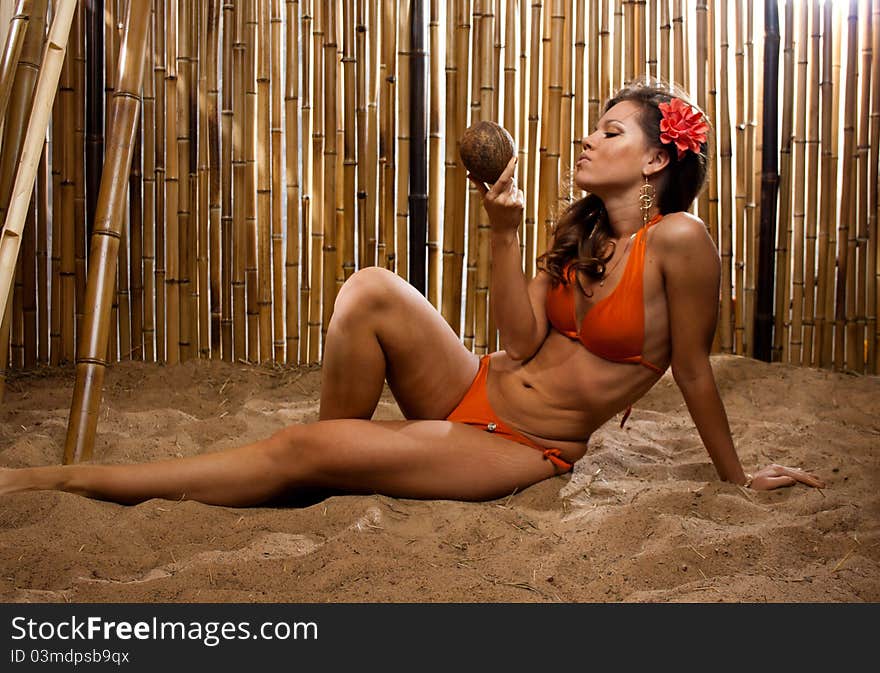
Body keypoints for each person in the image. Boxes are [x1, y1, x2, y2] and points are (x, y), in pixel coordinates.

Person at [0, 78, 823, 506]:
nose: (588, 135)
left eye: (611, 131)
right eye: (594, 124)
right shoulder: (583, 232)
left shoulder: (680, 241)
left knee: (302, 450)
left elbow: (693, 371)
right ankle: (329, 463)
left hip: (520, 445)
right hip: (472, 386)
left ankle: (62, 482)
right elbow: (523, 341)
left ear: (654, 161)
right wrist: (503, 230)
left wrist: (734, 478)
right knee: (370, 288)